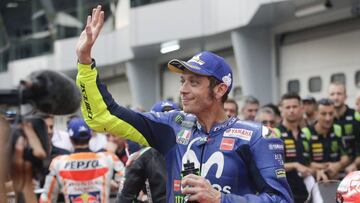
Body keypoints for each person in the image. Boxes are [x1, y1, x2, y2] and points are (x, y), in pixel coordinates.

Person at [75, 5, 292, 203]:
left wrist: (221, 199)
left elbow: (282, 200)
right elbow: (104, 116)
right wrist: (85, 61)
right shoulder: (171, 125)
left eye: (194, 82)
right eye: (182, 81)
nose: (183, 90)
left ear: (220, 90)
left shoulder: (257, 137)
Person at [39, 118, 125, 203]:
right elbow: (126, 181)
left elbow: (47, 198)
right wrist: (109, 182)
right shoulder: (108, 158)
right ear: (90, 136)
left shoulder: (58, 162)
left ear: (70, 139)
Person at [273, 93, 314, 202]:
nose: (291, 110)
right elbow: (272, 166)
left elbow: (308, 163)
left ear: (301, 109)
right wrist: (295, 165)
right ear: (281, 109)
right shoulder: (275, 133)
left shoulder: (306, 134)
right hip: (284, 194)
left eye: (295, 107)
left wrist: (317, 170)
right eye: (288, 107)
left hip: (306, 193)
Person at [302, 98, 350, 181]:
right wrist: (327, 167)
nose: (328, 118)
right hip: (313, 180)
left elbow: (346, 157)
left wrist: (338, 165)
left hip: (336, 178)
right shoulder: (306, 133)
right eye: (323, 114)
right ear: (316, 114)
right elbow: (304, 163)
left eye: (331, 114)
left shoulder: (337, 129)